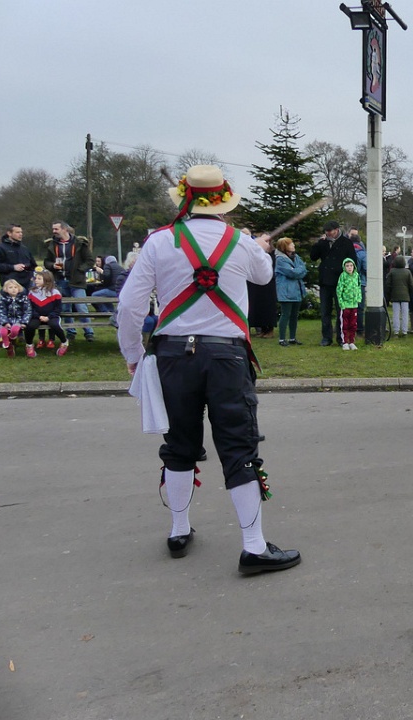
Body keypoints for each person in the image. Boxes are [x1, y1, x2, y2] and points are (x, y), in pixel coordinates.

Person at [116, 164, 300, 574]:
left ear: (185, 199)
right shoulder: (241, 243)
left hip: (172, 357)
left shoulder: (159, 241)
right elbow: (264, 275)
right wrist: (259, 246)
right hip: (226, 358)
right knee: (238, 447)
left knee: (179, 444)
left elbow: (129, 305)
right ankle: (253, 547)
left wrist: (133, 353)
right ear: (224, 203)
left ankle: (178, 530)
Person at [44, 221, 95, 342]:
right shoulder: (52, 245)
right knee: (65, 308)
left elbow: (90, 261)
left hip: (76, 281)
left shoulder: (79, 243)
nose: (54, 232)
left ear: (64, 229)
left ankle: (89, 332)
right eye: (53, 229)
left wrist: (80, 270)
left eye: (56, 229)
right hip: (60, 280)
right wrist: (52, 266)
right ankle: (70, 331)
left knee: (81, 306)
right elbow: (46, 262)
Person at [310, 220, 358, 346]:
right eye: (326, 231)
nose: (328, 233)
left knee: (340, 311)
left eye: (330, 231)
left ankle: (341, 337)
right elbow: (313, 257)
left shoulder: (346, 243)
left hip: (340, 282)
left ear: (337, 230)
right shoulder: (323, 243)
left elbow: (353, 261)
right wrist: (318, 244)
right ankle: (326, 337)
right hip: (325, 281)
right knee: (325, 311)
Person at [24, 270, 68, 358]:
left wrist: (49, 317)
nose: (36, 280)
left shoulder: (55, 292)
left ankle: (64, 342)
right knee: (30, 326)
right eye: (36, 278)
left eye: (39, 279)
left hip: (52, 316)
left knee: (54, 325)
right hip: (36, 316)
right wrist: (38, 316)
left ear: (47, 280)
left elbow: (58, 308)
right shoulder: (32, 292)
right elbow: (30, 308)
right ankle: (29, 345)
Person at [273, 237, 308, 347]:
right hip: (286, 292)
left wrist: (298, 270)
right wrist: (298, 270)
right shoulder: (280, 259)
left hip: (297, 291)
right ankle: (282, 339)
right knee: (285, 314)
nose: (293, 245)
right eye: (291, 244)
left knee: (294, 315)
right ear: (285, 247)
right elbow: (292, 273)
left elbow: (304, 269)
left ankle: (292, 338)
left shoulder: (296, 256)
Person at [246, 230, 277, 339]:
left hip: (268, 285)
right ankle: (261, 329)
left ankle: (269, 330)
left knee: (268, 307)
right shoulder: (254, 253)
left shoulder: (272, 254)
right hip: (256, 285)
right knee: (257, 307)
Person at [0, 223, 36, 291]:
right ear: (9, 233)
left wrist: (27, 266)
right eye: (17, 232)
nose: (21, 234)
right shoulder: (0, 248)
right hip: (11, 287)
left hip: (27, 285)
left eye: (21, 232)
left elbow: (33, 265)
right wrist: (13, 267)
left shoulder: (24, 248)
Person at [0, 278, 31, 357]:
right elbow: (1, 311)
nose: (13, 289)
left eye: (15, 287)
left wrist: (24, 322)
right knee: (3, 332)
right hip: (7, 320)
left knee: (15, 330)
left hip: (19, 320)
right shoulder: (3, 299)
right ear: (6, 289)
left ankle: (11, 339)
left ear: (19, 288)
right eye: (10, 287)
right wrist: (5, 322)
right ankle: (8, 346)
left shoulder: (24, 298)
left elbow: (28, 311)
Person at [385, 254, 413, 337]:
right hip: (405, 296)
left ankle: (396, 331)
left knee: (396, 314)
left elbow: (388, 284)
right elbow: (411, 285)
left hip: (395, 296)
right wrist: (410, 293)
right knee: (405, 314)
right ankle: (404, 331)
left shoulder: (392, 271)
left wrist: (389, 294)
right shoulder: (407, 272)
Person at [337, 257, 361, 350]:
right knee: (345, 324)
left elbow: (359, 287)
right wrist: (341, 303)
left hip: (354, 304)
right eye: (347, 266)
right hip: (345, 305)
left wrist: (358, 298)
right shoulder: (343, 276)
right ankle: (345, 342)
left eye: (351, 265)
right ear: (344, 267)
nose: (349, 267)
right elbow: (339, 290)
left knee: (353, 324)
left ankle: (352, 341)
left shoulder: (356, 275)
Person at [349, 229, 368, 334]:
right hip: (360, 282)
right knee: (360, 307)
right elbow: (366, 269)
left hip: (348, 282)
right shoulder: (363, 253)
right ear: (359, 242)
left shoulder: (346, 252)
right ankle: (359, 328)